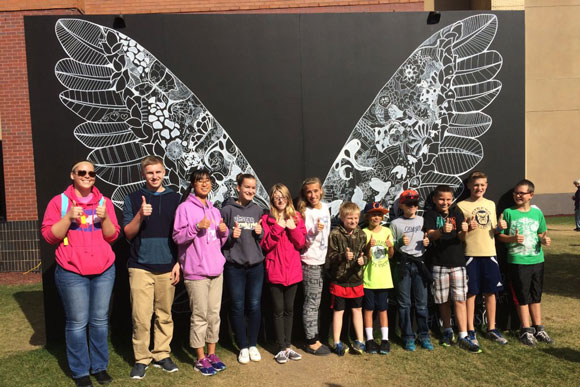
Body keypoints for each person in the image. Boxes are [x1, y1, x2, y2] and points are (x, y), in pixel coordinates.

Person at [41, 160, 120, 387]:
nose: (87, 175)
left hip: (104, 270)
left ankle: (100, 367)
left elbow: (112, 236)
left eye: (91, 173)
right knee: (77, 322)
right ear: (73, 175)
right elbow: (49, 237)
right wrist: (67, 218)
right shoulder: (60, 202)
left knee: (99, 321)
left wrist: (104, 218)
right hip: (72, 271)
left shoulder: (104, 202)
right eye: (82, 172)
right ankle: (80, 371)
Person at [122, 156, 181, 379]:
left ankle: (162, 354)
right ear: (142, 174)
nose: (154, 176)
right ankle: (141, 358)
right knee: (141, 316)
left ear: (164, 172)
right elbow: (127, 233)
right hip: (140, 266)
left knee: (165, 315)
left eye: (158, 172)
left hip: (168, 266)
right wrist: (139, 214)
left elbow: (180, 236)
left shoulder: (175, 198)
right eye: (149, 173)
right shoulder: (133, 198)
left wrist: (179, 263)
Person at [173, 169, 229, 376]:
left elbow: (217, 241)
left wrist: (225, 232)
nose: (204, 184)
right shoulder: (184, 208)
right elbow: (178, 238)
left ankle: (212, 354)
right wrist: (196, 227)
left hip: (216, 270)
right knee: (199, 316)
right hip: (196, 272)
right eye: (200, 181)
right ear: (193, 184)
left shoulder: (215, 210)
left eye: (207, 181)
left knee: (214, 315)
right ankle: (200, 358)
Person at [423, 185, 480, 353]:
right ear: (434, 199)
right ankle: (447, 330)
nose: (445, 202)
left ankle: (463, 335)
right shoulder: (430, 214)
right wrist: (441, 231)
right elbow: (430, 235)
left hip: (457, 263)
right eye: (441, 199)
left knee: (460, 299)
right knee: (443, 300)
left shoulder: (457, 213)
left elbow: (462, 237)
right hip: (438, 263)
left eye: (448, 199)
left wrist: (466, 229)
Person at [497, 179, 553, 346]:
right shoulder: (508, 212)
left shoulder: (537, 213)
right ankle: (525, 330)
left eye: (521, 193)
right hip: (517, 260)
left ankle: (538, 328)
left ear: (531, 195)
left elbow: (542, 232)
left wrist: (544, 240)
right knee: (522, 296)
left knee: (536, 295)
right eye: (516, 193)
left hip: (537, 259)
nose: (517, 195)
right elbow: (500, 236)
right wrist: (512, 238)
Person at [457, 171, 508, 347]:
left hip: (489, 254)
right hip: (471, 254)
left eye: (482, 185)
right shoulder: (461, 206)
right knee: (471, 293)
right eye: (476, 185)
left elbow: (494, 229)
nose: (479, 188)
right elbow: (460, 237)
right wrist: (467, 229)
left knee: (491, 292)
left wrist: (500, 228)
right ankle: (470, 330)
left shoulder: (491, 204)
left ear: (486, 186)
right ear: (469, 186)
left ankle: (491, 328)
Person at [220, 173, 265, 364]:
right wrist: (231, 235)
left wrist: (260, 233)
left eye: (253, 188)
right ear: (238, 188)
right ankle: (243, 346)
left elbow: (262, 240)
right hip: (234, 266)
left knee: (254, 305)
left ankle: (253, 344)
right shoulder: (227, 210)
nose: (250, 191)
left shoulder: (258, 210)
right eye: (247, 187)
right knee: (237, 306)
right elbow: (219, 240)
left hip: (255, 266)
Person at [260, 184, 306, 364]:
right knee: (278, 311)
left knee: (289, 310)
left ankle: (288, 346)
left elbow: (301, 243)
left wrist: (292, 227)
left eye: (283, 197)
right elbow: (265, 245)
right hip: (275, 271)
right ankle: (280, 347)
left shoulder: (296, 217)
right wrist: (278, 227)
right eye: (277, 197)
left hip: (292, 271)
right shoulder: (266, 219)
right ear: (272, 199)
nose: (280, 200)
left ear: (288, 199)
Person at [389, 190, 433, 352]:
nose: (412, 207)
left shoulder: (422, 220)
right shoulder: (395, 223)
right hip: (403, 264)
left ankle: (424, 336)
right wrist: (399, 242)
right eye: (408, 204)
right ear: (401, 205)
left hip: (420, 264)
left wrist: (428, 242)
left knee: (422, 304)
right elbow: (391, 248)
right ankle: (407, 337)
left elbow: (429, 238)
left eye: (415, 204)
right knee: (404, 304)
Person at [326, 202, 369, 356]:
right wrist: (342, 256)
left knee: (357, 310)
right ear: (343, 218)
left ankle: (360, 340)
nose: (353, 221)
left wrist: (364, 261)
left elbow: (367, 255)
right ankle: (337, 342)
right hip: (339, 280)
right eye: (350, 218)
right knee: (339, 311)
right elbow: (330, 256)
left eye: (356, 218)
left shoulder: (362, 234)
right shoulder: (335, 234)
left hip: (356, 279)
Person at [296, 177, 332, 356]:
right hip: (310, 262)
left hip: (322, 261)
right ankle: (311, 341)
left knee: (316, 303)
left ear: (321, 191)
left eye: (315, 191)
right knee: (311, 303)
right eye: (309, 192)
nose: (312, 195)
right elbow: (304, 241)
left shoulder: (325, 208)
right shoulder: (306, 212)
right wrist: (314, 231)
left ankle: (315, 336)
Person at [361, 202, 394, 354]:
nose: (376, 217)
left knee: (383, 310)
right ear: (367, 216)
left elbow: (391, 255)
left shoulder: (387, 230)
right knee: (368, 309)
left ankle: (385, 340)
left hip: (384, 279)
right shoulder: (364, 232)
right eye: (373, 214)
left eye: (379, 214)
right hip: (369, 279)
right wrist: (368, 246)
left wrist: (391, 246)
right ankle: (369, 340)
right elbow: (365, 258)